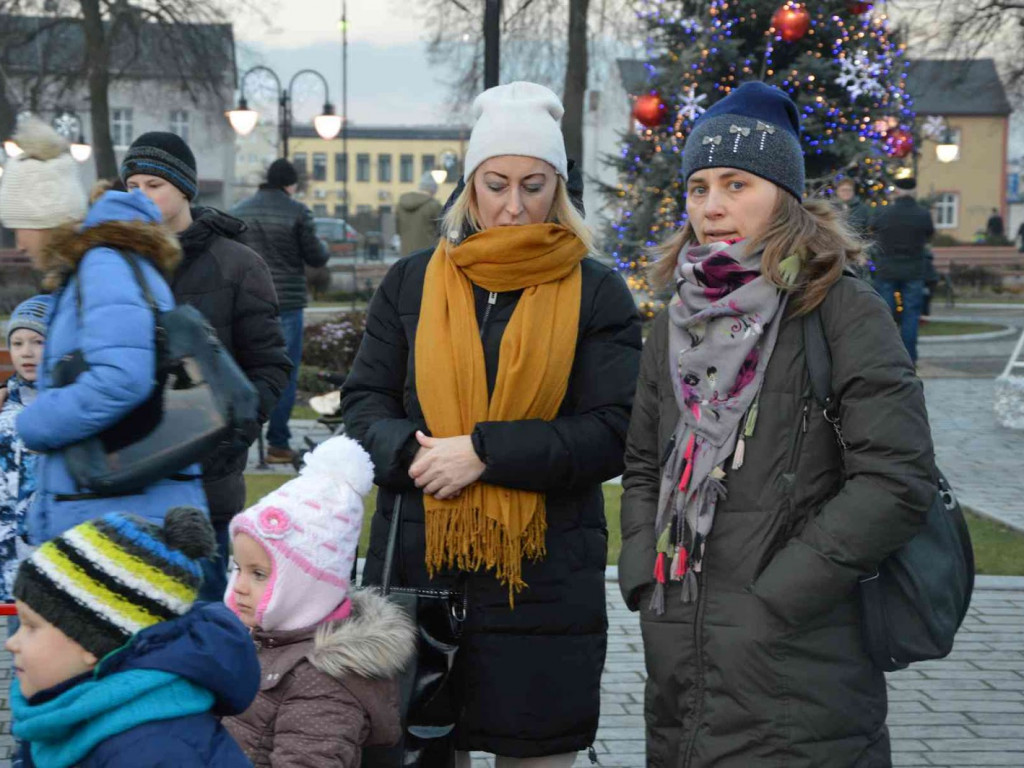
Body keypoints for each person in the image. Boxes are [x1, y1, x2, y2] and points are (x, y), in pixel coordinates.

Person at [618, 81, 936, 767]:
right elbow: (644, 460)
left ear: (784, 196)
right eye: (698, 186)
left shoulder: (842, 309)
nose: (712, 206)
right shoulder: (676, 319)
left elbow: (895, 478)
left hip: (799, 666)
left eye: (736, 184)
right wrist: (642, 568)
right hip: (679, 655)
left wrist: (778, 596)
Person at [342, 81, 642, 767]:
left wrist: (483, 453)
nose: (514, 204)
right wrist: (416, 454)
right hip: (419, 566)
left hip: (542, 582)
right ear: (470, 185)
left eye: (533, 184)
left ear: (557, 187)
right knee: (417, 752)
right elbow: (363, 408)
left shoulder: (596, 290)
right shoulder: (411, 282)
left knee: (533, 754)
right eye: (497, 183)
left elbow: (614, 429)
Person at [121, 132, 291, 600]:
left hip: (205, 488)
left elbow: (269, 366)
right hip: (128, 482)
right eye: (131, 186)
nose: (141, 196)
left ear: (184, 188)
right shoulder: (115, 265)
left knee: (204, 624)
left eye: (153, 184)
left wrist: (227, 440)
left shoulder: (237, 265)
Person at [5, 506, 260, 766]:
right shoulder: (64, 703)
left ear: (93, 640)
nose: (10, 643)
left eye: (31, 626)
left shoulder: (152, 752)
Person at [222, 435, 415, 767]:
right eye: (238, 568)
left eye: (258, 574)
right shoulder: (271, 639)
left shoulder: (322, 682)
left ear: (306, 587)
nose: (239, 586)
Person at [232, 158, 331, 465]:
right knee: (283, 372)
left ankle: (236, 440)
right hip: (286, 303)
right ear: (290, 185)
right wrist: (323, 245)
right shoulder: (298, 212)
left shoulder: (239, 211)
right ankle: (277, 443)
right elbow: (316, 256)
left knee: (243, 369)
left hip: (246, 301)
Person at [0, 296, 51, 607]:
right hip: (8, 552)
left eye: (37, 341)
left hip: (49, 545)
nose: (26, 352)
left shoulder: (68, 406)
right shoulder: (6, 403)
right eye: (17, 343)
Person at [869, 176, 935, 364]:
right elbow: (929, 235)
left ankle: (886, 357)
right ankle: (909, 358)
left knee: (885, 314)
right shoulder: (923, 214)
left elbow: (873, 229)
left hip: (887, 269)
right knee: (911, 314)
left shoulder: (884, 212)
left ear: (896, 191)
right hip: (914, 269)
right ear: (914, 191)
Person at [396, 172, 444, 256]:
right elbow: (443, 231)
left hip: (405, 255)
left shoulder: (400, 205)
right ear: (433, 190)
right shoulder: (434, 205)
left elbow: (398, 229)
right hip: (427, 255)